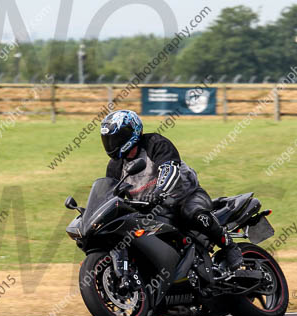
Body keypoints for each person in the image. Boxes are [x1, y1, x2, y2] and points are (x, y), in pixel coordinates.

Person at [100, 109, 243, 271]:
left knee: (194, 213)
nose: (112, 144)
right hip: (149, 208)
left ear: (132, 132)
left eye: (116, 138)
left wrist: (160, 192)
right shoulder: (115, 166)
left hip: (185, 195)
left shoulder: (155, 143)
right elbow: (111, 193)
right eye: (108, 139)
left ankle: (230, 247)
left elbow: (169, 170)